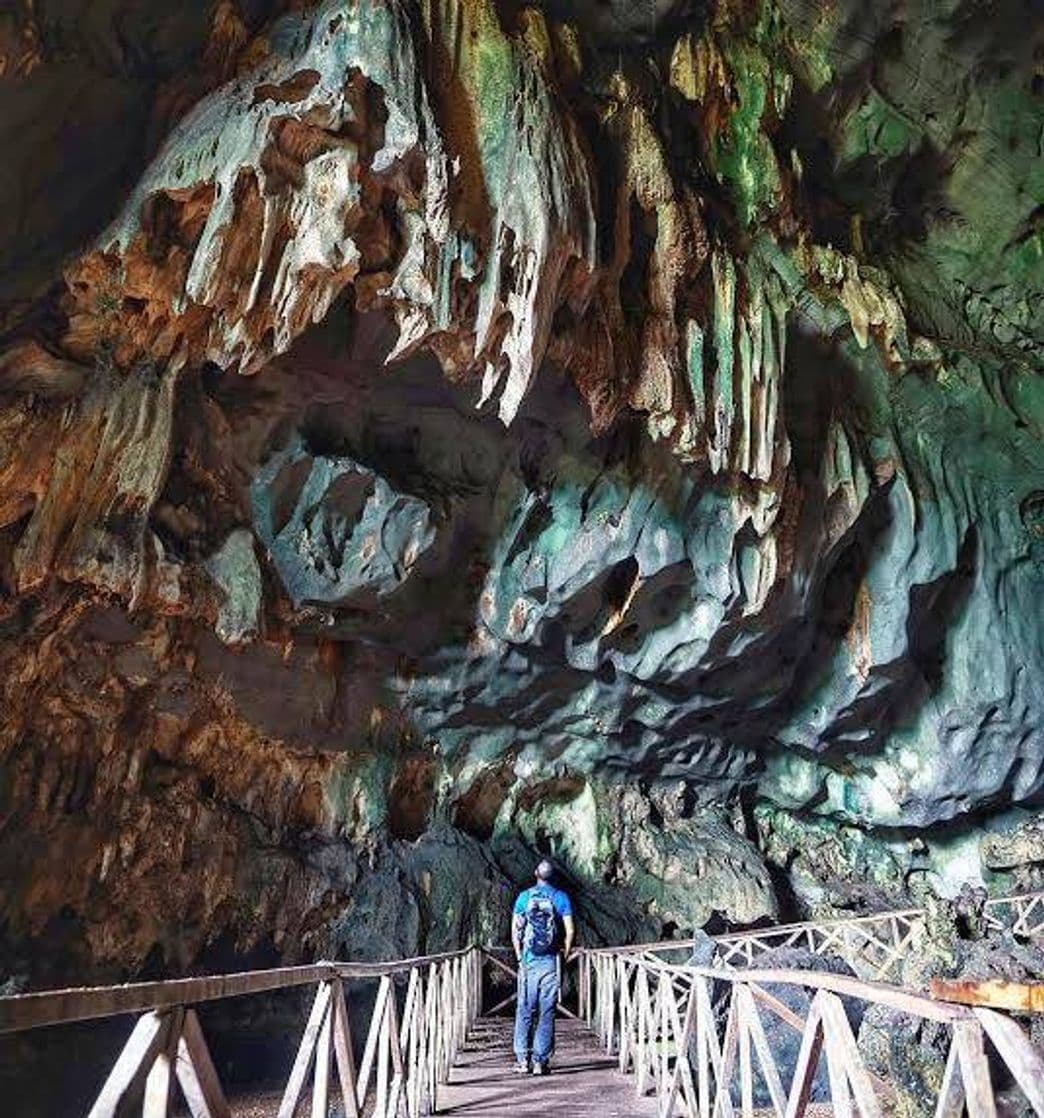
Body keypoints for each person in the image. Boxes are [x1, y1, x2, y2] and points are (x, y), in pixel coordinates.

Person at [511, 859, 574, 1076]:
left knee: (525, 1010)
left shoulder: (524, 897)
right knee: (547, 1012)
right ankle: (540, 1062)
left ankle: (523, 1060)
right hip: (550, 963)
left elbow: (516, 931)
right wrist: (563, 955)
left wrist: (519, 957)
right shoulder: (561, 898)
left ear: (535, 873)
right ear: (553, 876)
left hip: (528, 963)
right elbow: (570, 931)